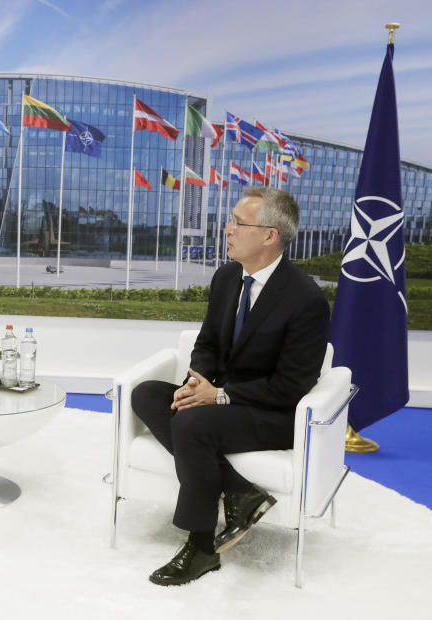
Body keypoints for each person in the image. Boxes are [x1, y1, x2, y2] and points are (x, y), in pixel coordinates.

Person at [131, 187, 330, 586]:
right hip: (223, 398)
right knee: (147, 394)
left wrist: (219, 395)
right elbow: (206, 344)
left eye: (239, 222)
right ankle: (240, 491)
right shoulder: (226, 278)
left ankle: (202, 546)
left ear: (270, 235)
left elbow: (290, 387)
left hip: (271, 412)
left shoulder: (306, 299)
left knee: (191, 424)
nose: (227, 229)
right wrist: (196, 382)